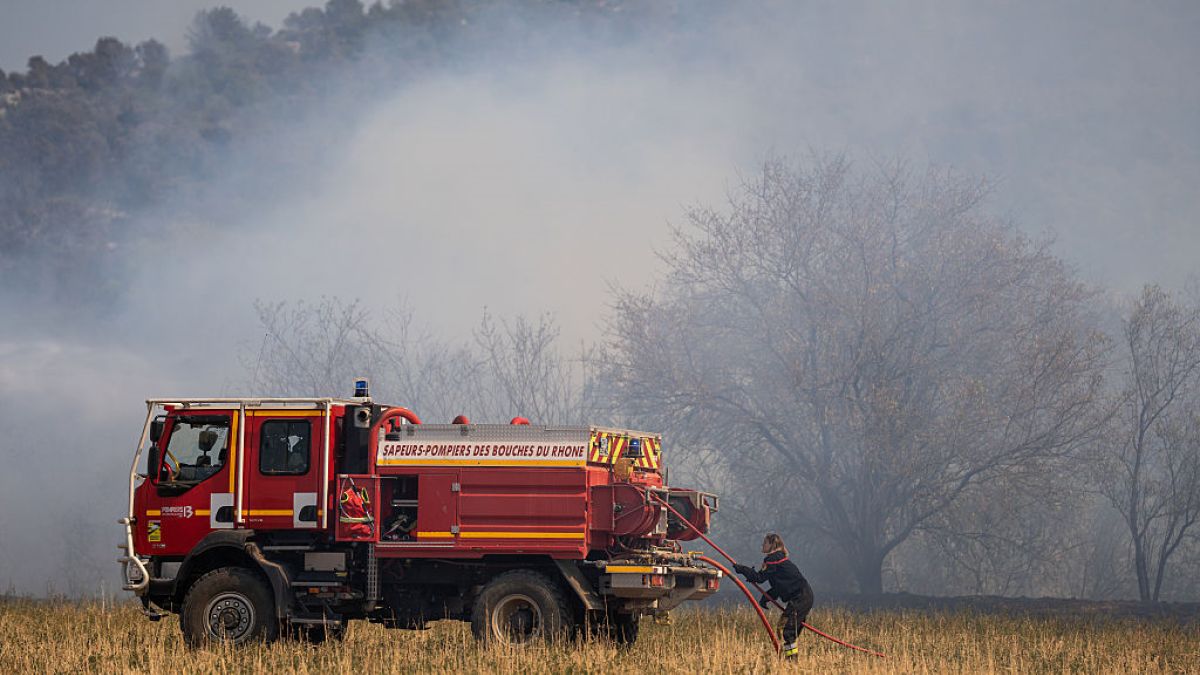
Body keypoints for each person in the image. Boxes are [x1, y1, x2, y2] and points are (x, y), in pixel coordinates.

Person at [733, 533, 814, 659]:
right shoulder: (777, 559)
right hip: (803, 597)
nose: (762, 545)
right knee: (787, 630)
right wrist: (766, 598)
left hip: (800, 598)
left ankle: (791, 661)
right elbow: (780, 585)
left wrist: (742, 569)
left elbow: (759, 578)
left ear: (772, 544)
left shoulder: (773, 559)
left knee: (786, 629)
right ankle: (790, 659)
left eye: (765, 542)